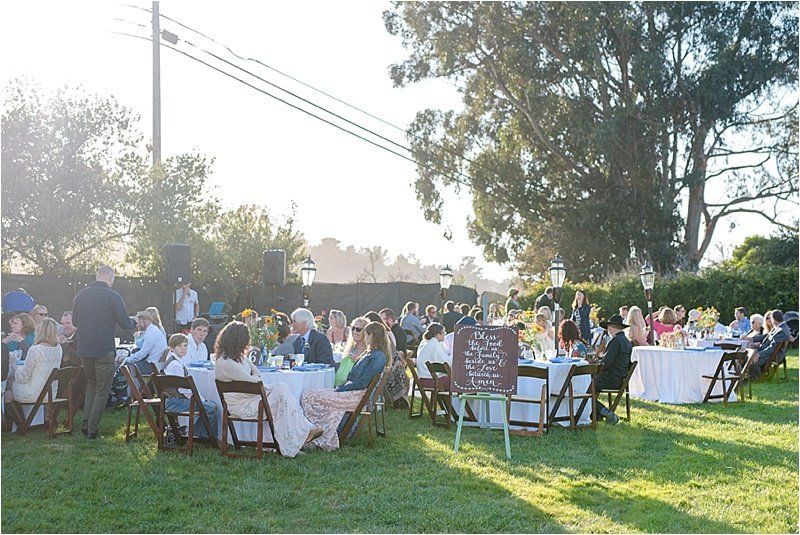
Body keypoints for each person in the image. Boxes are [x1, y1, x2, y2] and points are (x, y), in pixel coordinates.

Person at [214, 321, 321, 457]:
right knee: (281, 392)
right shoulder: (227, 363)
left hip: (252, 400)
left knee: (281, 394)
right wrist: (254, 376)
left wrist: (254, 376)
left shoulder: (239, 358)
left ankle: (294, 442)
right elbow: (256, 381)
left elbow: (257, 374)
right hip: (241, 407)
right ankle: (303, 433)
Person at [301, 321, 389, 450]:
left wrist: (341, 389)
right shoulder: (370, 353)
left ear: (372, 336)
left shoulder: (378, 356)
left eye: (366, 334)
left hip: (357, 396)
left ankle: (319, 436)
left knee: (310, 396)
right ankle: (315, 432)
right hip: (352, 392)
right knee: (308, 393)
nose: (364, 337)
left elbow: (363, 383)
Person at [72, 266, 137, 440]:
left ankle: (86, 423)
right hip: (104, 350)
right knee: (103, 389)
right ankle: (92, 430)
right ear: (110, 279)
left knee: (91, 385)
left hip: (85, 349)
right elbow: (124, 323)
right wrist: (134, 322)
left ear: (96, 276)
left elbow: (74, 321)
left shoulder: (81, 294)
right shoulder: (113, 296)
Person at [160, 332, 218, 441]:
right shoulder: (176, 365)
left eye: (185, 345)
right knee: (211, 408)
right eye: (179, 346)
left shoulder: (173, 361)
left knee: (209, 406)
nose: (183, 348)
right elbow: (184, 391)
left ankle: (197, 433)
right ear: (172, 348)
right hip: (174, 401)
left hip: (172, 399)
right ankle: (207, 437)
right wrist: (201, 400)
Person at [7, 319, 62, 410]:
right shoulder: (58, 348)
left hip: (35, 394)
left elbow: (23, 377)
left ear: (39, 331)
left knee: (8, 390)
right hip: (51, 393)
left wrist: (13, 365)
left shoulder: (35, 349)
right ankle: (29, 422)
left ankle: (23, 423)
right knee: (10, 393)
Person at [595, 315, 632, 424]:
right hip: (619, 379)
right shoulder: (626, 341)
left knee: (585, 387)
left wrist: (594, 368)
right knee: (590, 384)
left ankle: (605, 412)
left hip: (611, 380)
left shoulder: (615, 341)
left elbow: (606, 364)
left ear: (611, 327)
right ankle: (596, 415)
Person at [123, 311, 168, 375]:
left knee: (124, 367)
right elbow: (139, 346)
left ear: (146, 321)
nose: (137, 325)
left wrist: (125, 360)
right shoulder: (151, 330)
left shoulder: (152, 333)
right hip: (152, 364)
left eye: (139, 322)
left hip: (151, 366)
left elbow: (142, 354)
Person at [751, 310, 791, 378]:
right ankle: (746, 376)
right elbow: (767, 337)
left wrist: (759, 354)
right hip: (769, 352)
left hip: (774, 355)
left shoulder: (781, 330)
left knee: (750, 361)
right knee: (746, 353)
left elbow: (772, 348)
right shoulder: (779, 327)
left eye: (770, 318)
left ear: (773, 319)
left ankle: (758, 378)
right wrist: (752, 340)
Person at [334, 317, 367, 387]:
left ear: (365, 332)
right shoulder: (352, 348)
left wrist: (358, 360)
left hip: (353, 389)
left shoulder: (368, 351)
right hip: (342, 386)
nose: (354, 332)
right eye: (353, 328)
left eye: (358, 329)